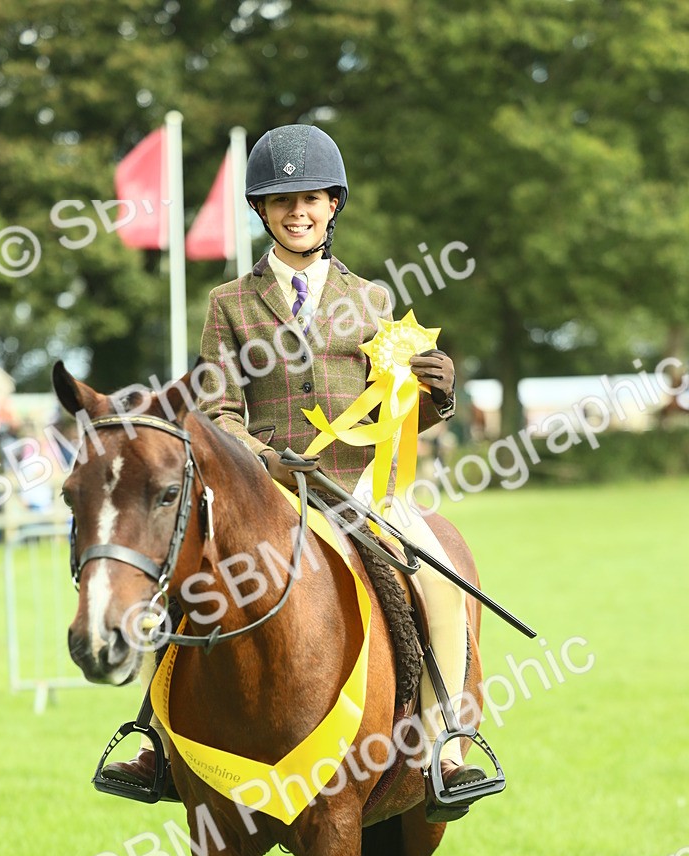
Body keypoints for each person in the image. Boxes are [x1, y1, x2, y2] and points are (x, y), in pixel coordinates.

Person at [105, 124, 486, 804]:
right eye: (281, 201)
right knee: (179, 579)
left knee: (440, 573)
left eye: (309, 198)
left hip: (362, 488)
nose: (297, 212)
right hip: (267, 493)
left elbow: (397, 414)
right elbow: (218, 411)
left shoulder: (369, 300)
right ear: (260, 211)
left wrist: (439, 396)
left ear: (332, 204)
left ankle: (448, 741)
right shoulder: (229, 304)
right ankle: (157, 741)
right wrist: (265, 459)